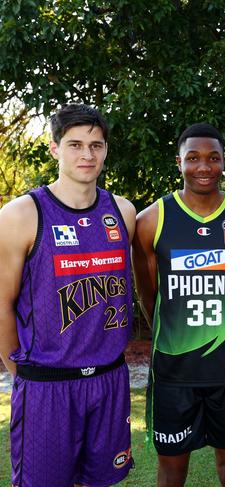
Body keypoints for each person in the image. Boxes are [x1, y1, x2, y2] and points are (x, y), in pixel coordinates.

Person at [0, 104, 136, 486]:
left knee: (100, 482)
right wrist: (23, 371)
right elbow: (1, 305)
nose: (87, 155)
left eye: (96, 145)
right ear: (55, 149)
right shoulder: (20, 215)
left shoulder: (122, 212)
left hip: (109, 379)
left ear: (106, 149)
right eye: (75, 144)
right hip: (47, 385)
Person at [132, 122, 225, 487]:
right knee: (172, 473)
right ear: (179, 162)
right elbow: (149, 296)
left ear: (224, 162)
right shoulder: (151, 221)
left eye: (213, 158)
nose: (203, 167)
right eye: (193, 158)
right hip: (174, 372)